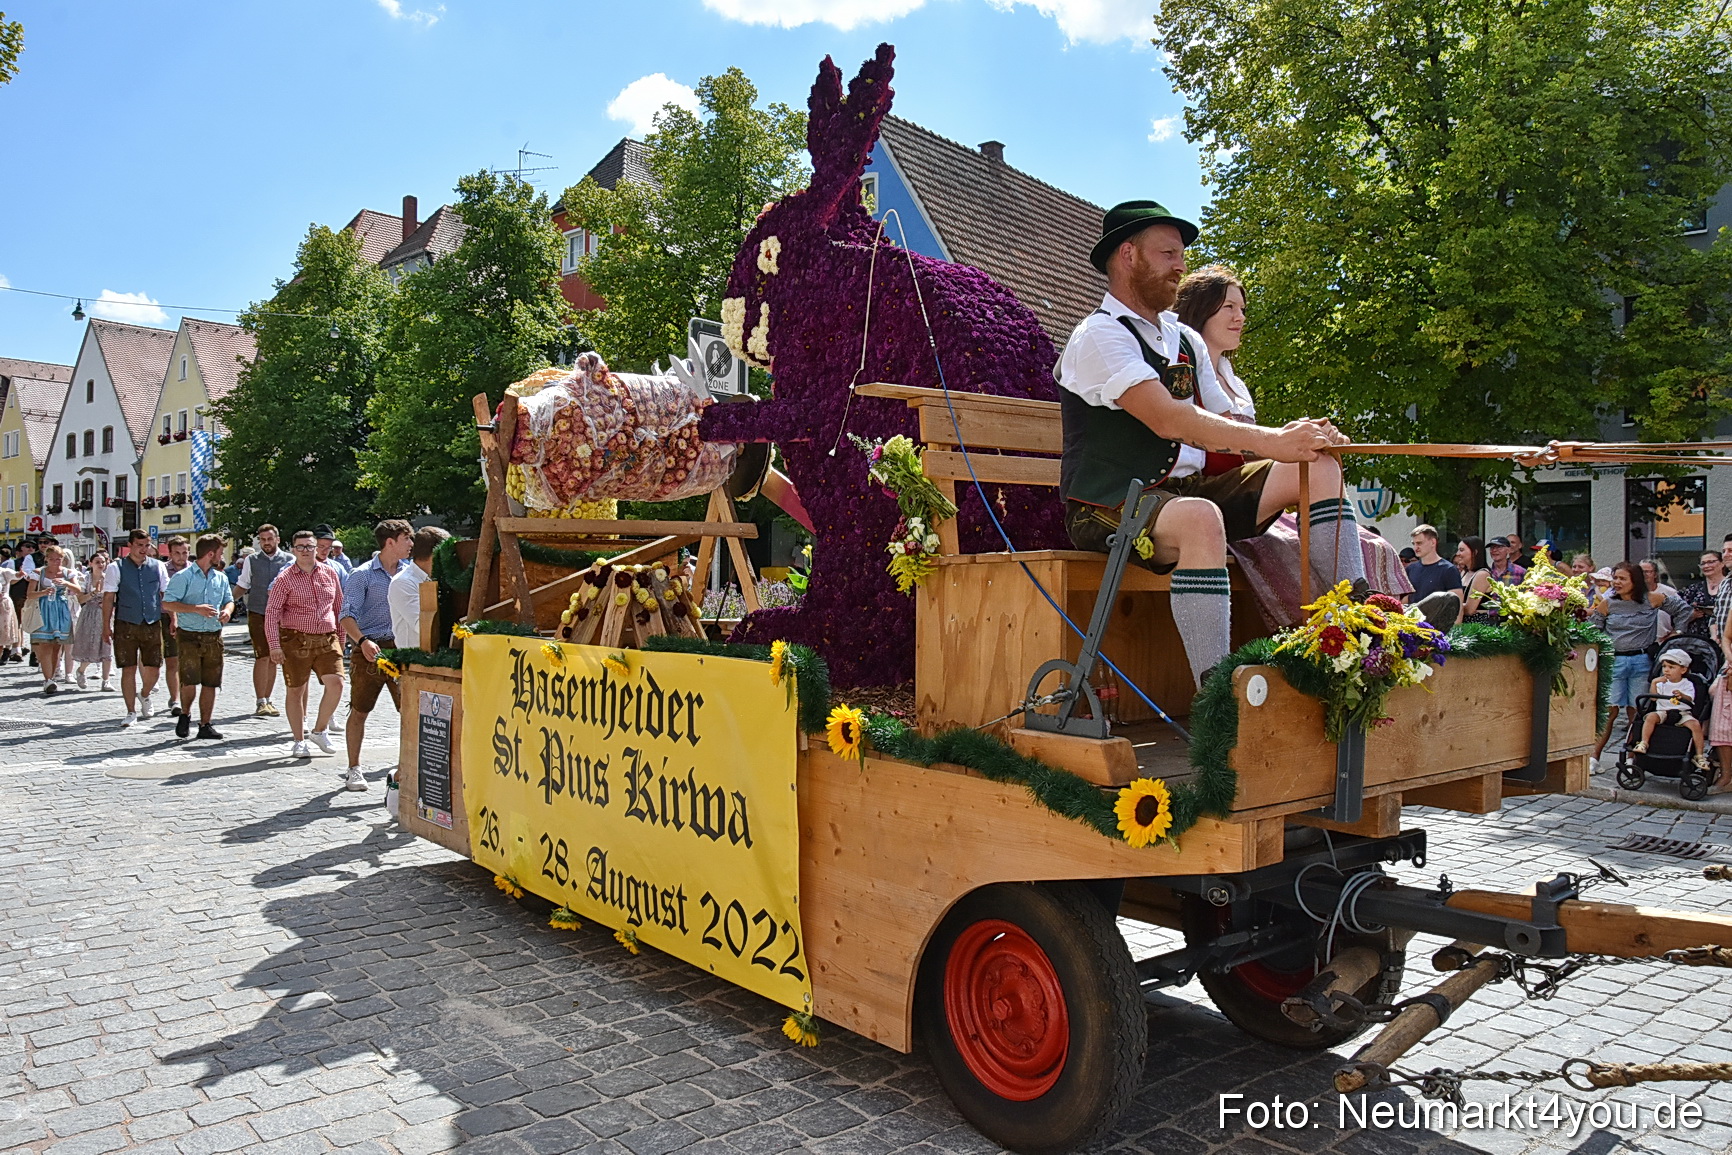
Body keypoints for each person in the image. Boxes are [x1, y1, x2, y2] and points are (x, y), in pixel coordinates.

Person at [1058, 202, 1355, 685]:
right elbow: (1169, 419)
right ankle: (1216, 694)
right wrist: (1274, 440)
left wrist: (1304, 439)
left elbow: (1225, 422)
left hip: (1186, 495)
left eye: (1182, 255)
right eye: (1168, 253)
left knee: (1319, 467)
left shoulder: (1183, 339)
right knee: (1200, 517)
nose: (1181, 265)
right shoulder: (1098, 335)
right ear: (1128, 255)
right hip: (1107, 503)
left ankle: (1354, 627)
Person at [1590, 561, 1691, 769]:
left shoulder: (1652, 599)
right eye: (1615, 578)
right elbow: (1594, 630)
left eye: (1622, 578)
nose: (1616, 582)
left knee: (1637, 711)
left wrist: (1676, 634)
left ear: (1634, 581)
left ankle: (1631, 758)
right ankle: (1594, 758)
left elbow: (1683, 610)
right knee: (1609, 710)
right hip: (1615, 661)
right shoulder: (1607, 603)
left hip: (1642, 661)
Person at [338, 519, 413, 792]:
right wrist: (362, 641)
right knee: (359, 710)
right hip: (368, 649)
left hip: (400, 650)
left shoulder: (409, 573)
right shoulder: (362, 575)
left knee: (409, 710)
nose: (411, 544)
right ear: (390, 542)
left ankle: (408, 768)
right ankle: (353, 768)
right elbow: (346, 615)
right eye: (406, 539)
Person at [266, 529, 345, 759]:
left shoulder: (330, 573)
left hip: (327, 638)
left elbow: (339, 609)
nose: (305, 551)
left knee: (337, 683)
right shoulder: (285, 578)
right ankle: (299, 740)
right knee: (296, 691)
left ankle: (319, 730)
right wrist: (274, 645)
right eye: (300, 547)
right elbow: (272, 613)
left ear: (317, 548)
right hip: (295, 640)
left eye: (309, 546)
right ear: (293, 550)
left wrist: (341, 640)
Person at [162, 534, 234, 741]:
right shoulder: (183, 577)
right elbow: (168, 603)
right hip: (189, 635)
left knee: (211, 682)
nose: (221, 556)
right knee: (189, 680)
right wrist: (195, 609)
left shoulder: (220, 577)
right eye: (219, 552)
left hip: (213, 635)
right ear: (210, 554)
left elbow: (229, 600)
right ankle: (185, 714)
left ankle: (205, 724)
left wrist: (227, 611)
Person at [102, 529, 170, 728]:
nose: (143, 549)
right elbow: (108, 598)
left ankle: (145, 694)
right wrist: (105, 626)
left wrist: (173, 618)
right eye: (139, 545)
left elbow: (165, 595)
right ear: (130, 546)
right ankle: (130, 711)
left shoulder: (157, 566)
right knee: (128, 668)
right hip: (126, 622)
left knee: (155, 667)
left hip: (152, 621)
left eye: (146, 545)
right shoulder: (116, 567)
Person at [234, 524, 292, 717]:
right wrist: (227, 602)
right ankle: (261, 701)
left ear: (277, 539)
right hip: (258, 612)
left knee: (275, 657)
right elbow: (243, 585)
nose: (266, 543)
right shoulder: (252, 560)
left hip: (282, 615)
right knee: (262, 656)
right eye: (263, 540)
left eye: (269, 539)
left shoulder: (289, 560)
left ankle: (268, 699)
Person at [1631, 648, 1710, 769]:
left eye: (1671, 667)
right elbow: (1653, 699)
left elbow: (1690, 699)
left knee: (1695, 725)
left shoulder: (1687, 683)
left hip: (1682, 712)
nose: (1666, 670)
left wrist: (1682, 695)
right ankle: (1644, 742)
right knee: (1651, 717)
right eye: (1664, 667)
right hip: (1663, 711)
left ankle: (1699, 755)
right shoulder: (1661, 683)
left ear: (1683, 670)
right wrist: (1653, 683)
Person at [26, 546, 81, 695]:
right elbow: (29, 594)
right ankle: (48, 679)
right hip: (44, 610)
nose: (56, 562)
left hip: (61, 610)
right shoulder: (39, 572)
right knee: (45, 645)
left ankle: (53, 676)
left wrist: (66, 584)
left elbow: (78, 590)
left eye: (59, 559)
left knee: (57, 646)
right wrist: (43, 592)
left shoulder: (68, 573)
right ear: (46, 559)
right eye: (52, 559)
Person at [389, 526, 449, 651]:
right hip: (413, 665)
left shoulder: (438, 579)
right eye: (448, 552)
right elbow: (424, 628)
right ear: (437, 554)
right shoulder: (402, 582)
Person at [70, 550, 114, 691]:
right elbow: (80, 599)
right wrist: (94, 592)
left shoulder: (110, 578)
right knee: (90, 646)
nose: (101, 564)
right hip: (89, 614)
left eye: (103, 562)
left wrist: (108, 604)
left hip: (105, 614)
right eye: (97, 562)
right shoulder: (85, 579)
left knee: (106, 647)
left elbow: (115, 597)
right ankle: (81, 671)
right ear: (91, 564)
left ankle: (106, 681)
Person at [159, 536, 190, 717]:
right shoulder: (162, 570)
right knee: (172, 660)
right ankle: (175, 699)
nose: (181, 557)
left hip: (190, 618)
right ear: (170, 553)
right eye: (177, 553)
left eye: (185, 552)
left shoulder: (195, 570)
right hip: (166, 618)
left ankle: (186, 696)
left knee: (187, 661)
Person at [1405, 525, 1463, 604]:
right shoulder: (1410, 569)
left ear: (1433, 542)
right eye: (1413, 543)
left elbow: (1457, 605)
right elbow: (1403, 600)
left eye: (1419, 543)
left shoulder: (1449, 570)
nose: (1415, 548)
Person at [1679, 551, 1726, 641]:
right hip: (1696, 643)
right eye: (1703, 563)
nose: (1706, 566)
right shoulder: (1693, 589)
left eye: (1711, 562)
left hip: (1723, 640)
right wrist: (1690, 615)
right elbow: (1678, 613)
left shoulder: (1729, 587)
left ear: (1722, 563)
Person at [1453, 536, 1498, 624]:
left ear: (1475, 552)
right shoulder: (1464, 573)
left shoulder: (1482, 574)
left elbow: (1470, 609)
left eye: (1461, 550)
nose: (1458, 553)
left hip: (1477, 627)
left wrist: (1448, 606)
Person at [0, 550, 20, 663]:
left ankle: (6, 651)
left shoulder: (3, 571)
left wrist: (20, 574)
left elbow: (15, 575)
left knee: (3, 633)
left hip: (2, 605)